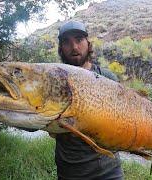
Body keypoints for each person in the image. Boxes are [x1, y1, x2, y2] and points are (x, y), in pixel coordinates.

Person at [53, 20, 124, 180]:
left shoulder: (107, 77)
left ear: (88, 43)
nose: (74, 47)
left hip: (109, 172)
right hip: (69, 173)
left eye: (79, 40)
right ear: (61, 49)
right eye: (67, 42)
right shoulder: (55, 79)